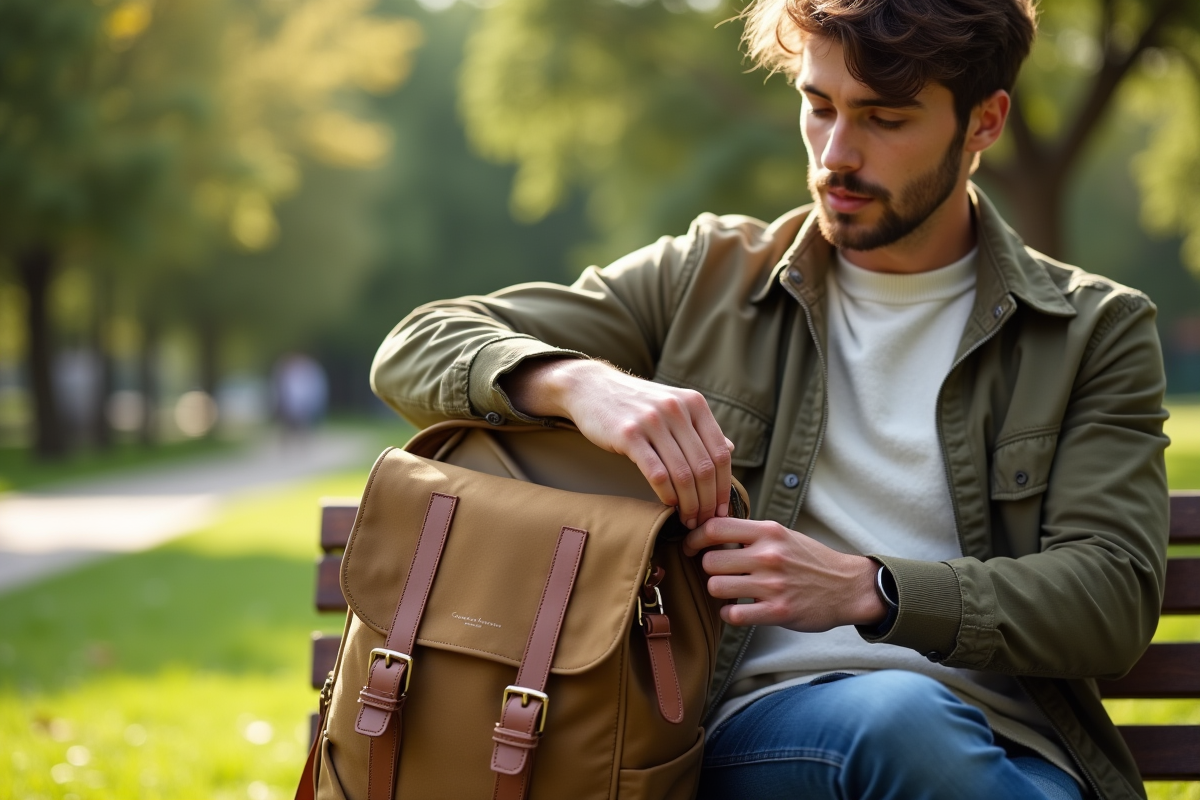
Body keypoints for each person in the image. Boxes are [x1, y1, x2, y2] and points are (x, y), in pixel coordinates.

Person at [369, 0, 1169, 798]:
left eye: (885, 119)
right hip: (752, 738)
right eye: (818, 107)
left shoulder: (1093, 330)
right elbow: (416, 344)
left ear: (984, 123)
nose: (836, 154)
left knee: (915, 727)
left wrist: (872, 589)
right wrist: (579, 382)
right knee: (895, 721)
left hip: (1008, 754)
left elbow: (1111, 594)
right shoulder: (706, 276)